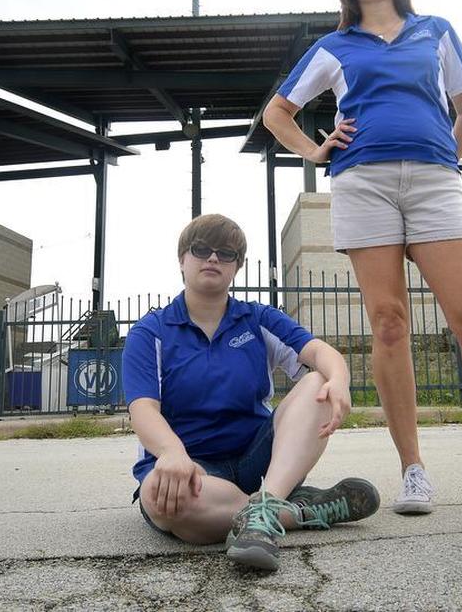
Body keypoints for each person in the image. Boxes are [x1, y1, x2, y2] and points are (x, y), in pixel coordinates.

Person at [263, 0, 462, 514]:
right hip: (363, 182)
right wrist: (316, 151)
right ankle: (414, 471)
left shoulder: (436, 32)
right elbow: (278, 112)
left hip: (432, 183)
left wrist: (450, 153)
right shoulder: (335, 45)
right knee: (389, 322)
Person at [122, 213, 380, 572]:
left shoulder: (257, 318)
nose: (213, 258)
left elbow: (321, 353)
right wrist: (171, 452)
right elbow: (143, 409)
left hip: (257, 459)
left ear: (237, 266)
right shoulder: (150, 332)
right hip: (191, 464)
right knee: (164, 500)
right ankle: (293, 511)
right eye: (201, 249)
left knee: (319, 380)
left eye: (226, 253)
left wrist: (339, 378)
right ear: (182, 259)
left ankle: (263, 508)